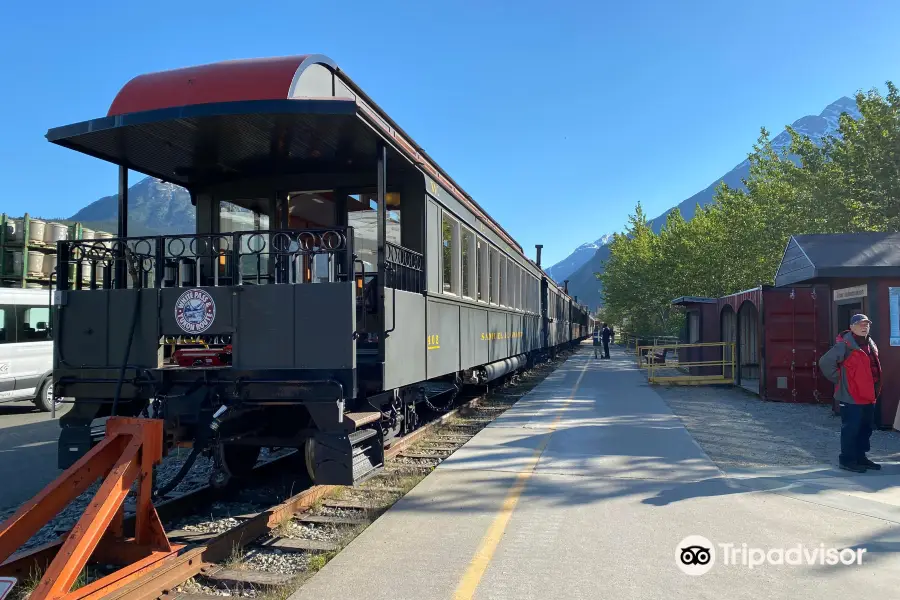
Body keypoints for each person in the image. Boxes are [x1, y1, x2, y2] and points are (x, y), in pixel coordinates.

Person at [819, 314, 882, 473]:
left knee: (865, 429)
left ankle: (860, 457)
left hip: (869, 396)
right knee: (851, 428)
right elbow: (825, 362)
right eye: (860, 324)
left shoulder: (870, 343)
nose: (864, 327)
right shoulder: (845, 345)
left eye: (867, 324)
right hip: (851, 396)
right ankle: (847, 460)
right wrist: (840, 380)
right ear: (852, 327)